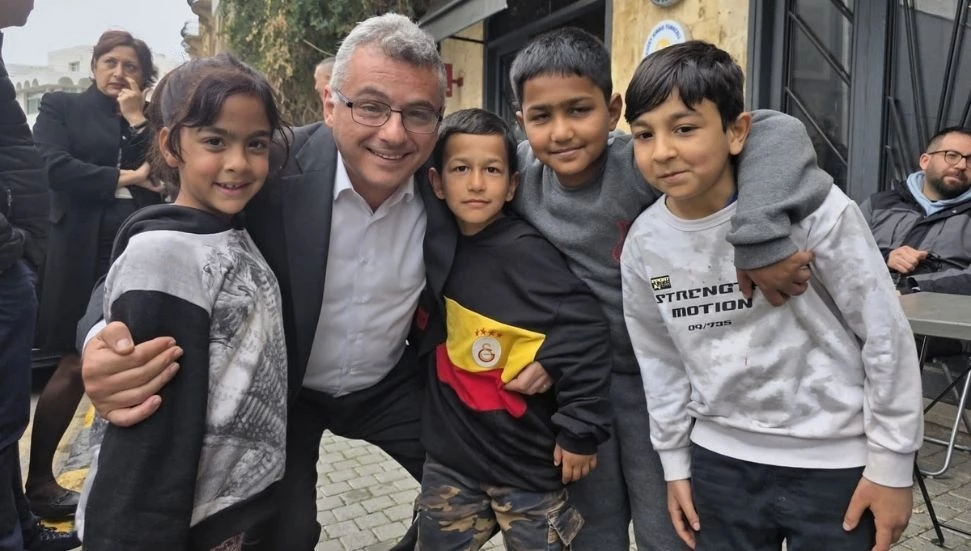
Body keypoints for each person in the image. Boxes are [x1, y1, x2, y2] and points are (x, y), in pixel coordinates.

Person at [78, 15, 817, 551]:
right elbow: (169, 236)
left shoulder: (465, 179)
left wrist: (759, 230)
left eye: (418, 113)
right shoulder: (271, 165)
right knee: (289, 529)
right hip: (291, 391)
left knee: (506, 472)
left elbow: (769, 130)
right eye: (370, 106)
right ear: (331, 103)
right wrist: (100, 343)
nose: (393, 133)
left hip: (397, 387)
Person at [508, 28, 831, 550]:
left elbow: (776, 129)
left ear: (613, 111)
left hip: (662, 380)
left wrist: (759, 237)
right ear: (521, 122)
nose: (562, 132)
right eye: (542, 116)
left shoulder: (642, 161)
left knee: (669, 523)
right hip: (576, 385)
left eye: (579, 110)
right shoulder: (517, 174)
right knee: (591, 525)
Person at [620, 40, 923, 551]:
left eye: (685, 128)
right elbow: (660, 361)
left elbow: (884, 335)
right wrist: (674, 464)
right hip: (718, 464)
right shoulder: (644, 243)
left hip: (837, 465)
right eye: (644, 134)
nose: (663, 151)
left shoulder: (818, 213)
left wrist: (892, 466)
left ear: (736, 131)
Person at [76, 53, 290, 551]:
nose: (238, 163)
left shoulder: (229, 227)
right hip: (180, 523)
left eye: (256, 144)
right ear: (171, 146)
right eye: (215, 141)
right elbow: (149, 428)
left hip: (232, 510)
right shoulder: (165, 254)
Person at [417, 108, 611, 550]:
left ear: (512, 185)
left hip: (527, 466)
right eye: (460, 169)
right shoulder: (431, 242)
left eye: (492, 170)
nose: (476, 183)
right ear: (436, 182)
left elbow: (586, 331)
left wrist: (580, 430)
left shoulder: (528, 254)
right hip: (452, 462)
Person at [29, 29, 164, 518]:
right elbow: (51, 165)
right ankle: (39, 482)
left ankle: (129, 481)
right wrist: (124, 178)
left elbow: (165, 174)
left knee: (138, 357)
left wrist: (136, 119)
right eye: (110, 62)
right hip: (79, 249)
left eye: (131, 66)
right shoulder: (61, 106)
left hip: (139, 243)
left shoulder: (150, 118)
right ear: (93, 67)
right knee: (71, 363)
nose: (119, 73)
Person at [0, 0, 81, 549]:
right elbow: (50, 162)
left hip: (17, 261)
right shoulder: (61, 104)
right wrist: (12, 246)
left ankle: (23, 530)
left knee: (7, 423)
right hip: (11, 260)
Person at [861, 126, 971, 295]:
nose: (962, 165)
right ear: (925, 161)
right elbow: (840, 252)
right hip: (862, 304)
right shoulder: (878, 205)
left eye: (970, 160)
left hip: (935, 309)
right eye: (951, 155)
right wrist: (885, 257)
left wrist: (915, 287)